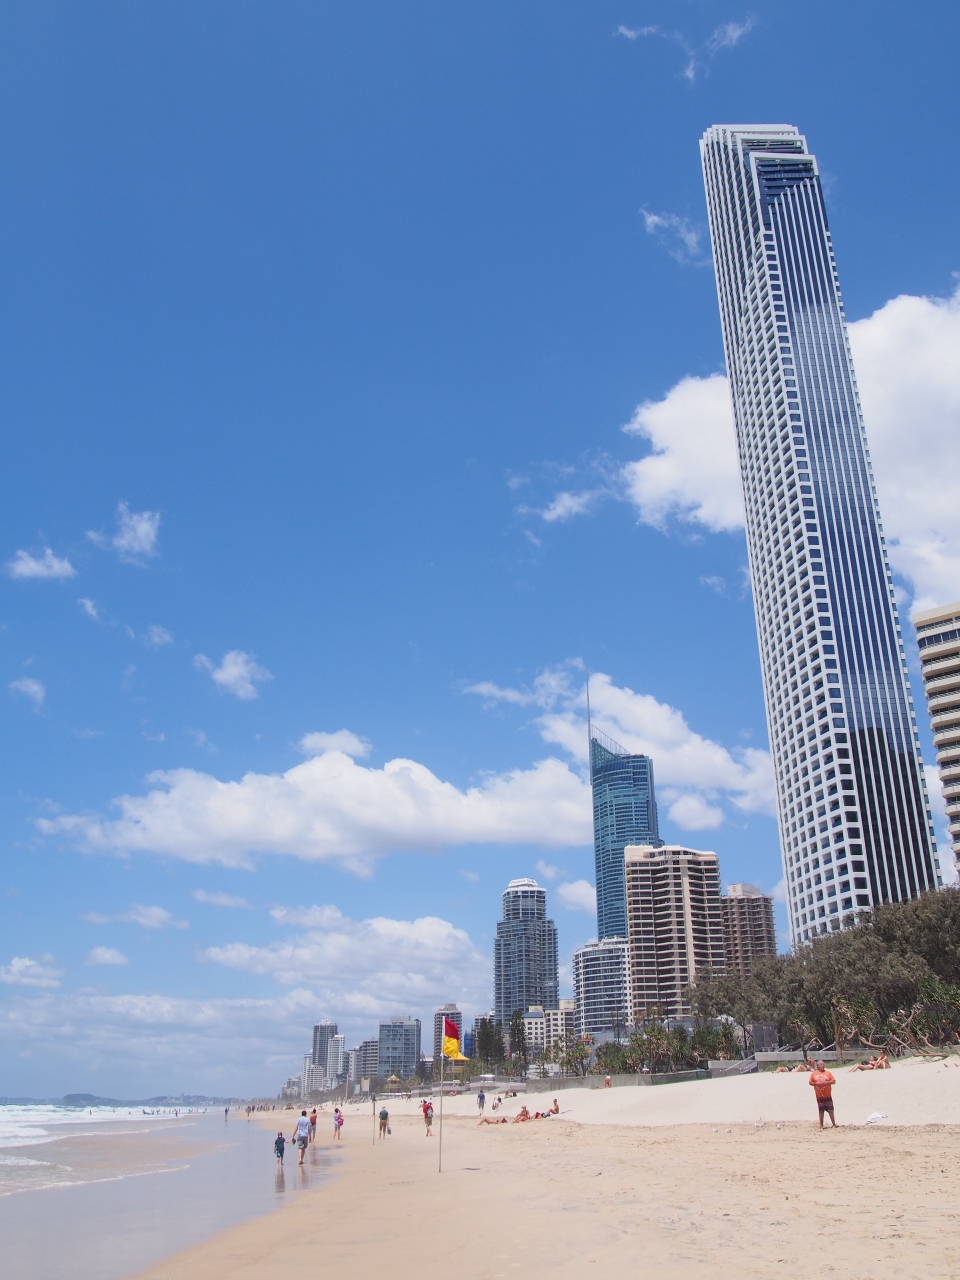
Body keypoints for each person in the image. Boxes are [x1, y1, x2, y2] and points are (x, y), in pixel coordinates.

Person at [809, 1059, 837, 1129]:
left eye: (823, 1064)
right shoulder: (814, 1074)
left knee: (830, 1110)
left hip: (827, 1095)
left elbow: (833, 1081)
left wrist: (827, 1082)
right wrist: (816, 1084)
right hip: (819, 1096)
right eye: (821, 1064)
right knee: (821, 1111)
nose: (823, 1065)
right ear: (818, 1066)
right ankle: (821, 1126)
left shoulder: (828, 1073)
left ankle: (834, 1124)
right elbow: (810, 1082)